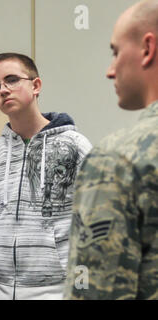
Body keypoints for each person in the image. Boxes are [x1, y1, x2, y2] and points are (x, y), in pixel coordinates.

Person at [0, 53, 92, 300]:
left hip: (54, 290)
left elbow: (93, 218)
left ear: (36, 85)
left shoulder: (75, 147)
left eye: (11, 80)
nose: (3, 90)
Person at [64, 0, 158, 300]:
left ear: (147, 48)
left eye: (116, 52)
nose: (110, 70)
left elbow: (95, 291)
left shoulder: (118, 160)